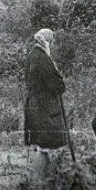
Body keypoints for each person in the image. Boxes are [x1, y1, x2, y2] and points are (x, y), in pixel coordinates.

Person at [23, 28, 68, 178]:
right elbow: (57, 85)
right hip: (44, 106)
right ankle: (42, 180)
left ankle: (41, 179)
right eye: (52, 41)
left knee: (41, 143)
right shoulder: (43, 58)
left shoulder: (31, 56)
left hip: (35, 104)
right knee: (46, 145)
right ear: (48, 42)